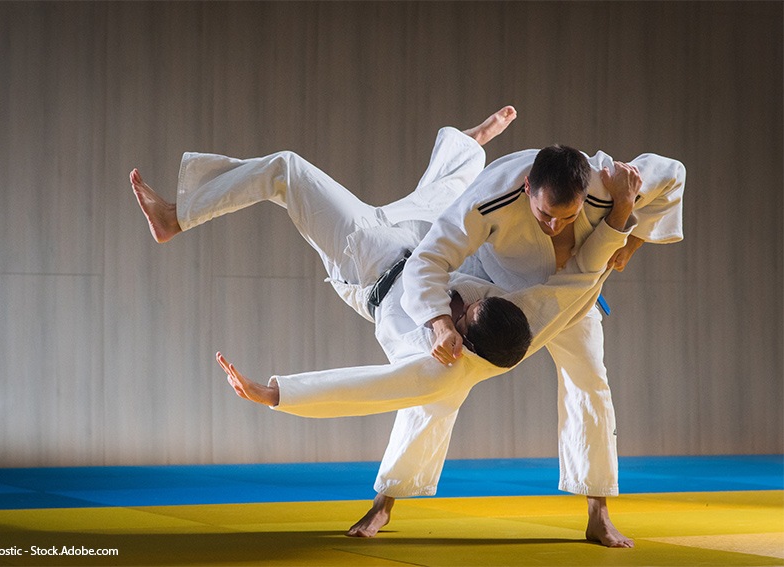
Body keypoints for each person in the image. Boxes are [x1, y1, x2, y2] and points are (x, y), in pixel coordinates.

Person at [131, 105, 647, 546]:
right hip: (416, 227)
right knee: (449, 190)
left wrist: (275, 393)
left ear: (468, 341)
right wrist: (624, 212)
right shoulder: (519, 304)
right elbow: (579, 274)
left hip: (367, 258)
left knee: (286, 169)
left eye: (463, 313)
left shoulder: (443, 368)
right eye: (474, 299)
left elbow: (368, 388)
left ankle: (393, 498)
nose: (462, 301)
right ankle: (468, 145)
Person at [380, 140, 686, 547]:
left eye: (568, 216)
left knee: (591, 384)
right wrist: (439, 324)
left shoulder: (610, 181)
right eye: (545, 214)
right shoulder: (488, 198)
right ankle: (386, 500)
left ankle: (599, 515)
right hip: (497, 296)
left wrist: (633, 237)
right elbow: (427, 259)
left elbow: (674, 171)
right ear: (527, 188)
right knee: (442, 380)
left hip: (572, 296)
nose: (555, 226)